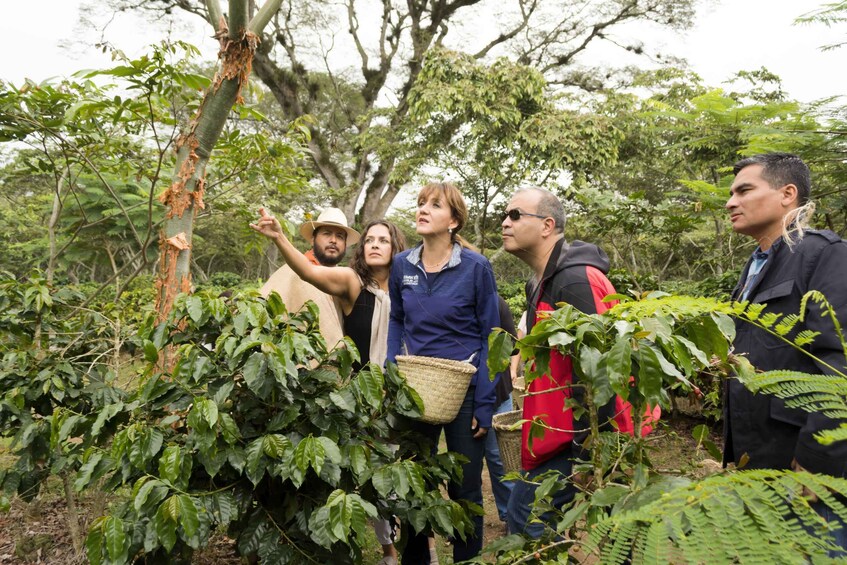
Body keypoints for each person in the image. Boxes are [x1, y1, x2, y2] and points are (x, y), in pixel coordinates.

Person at [251, 209, 406, 565]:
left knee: (394, 475)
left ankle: (408, 549)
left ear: (396, 247)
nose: (375, 245)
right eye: (370, 240)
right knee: (354, 472)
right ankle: (372, 550)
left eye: (383, 240)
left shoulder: (407, 288)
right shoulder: (350, 282)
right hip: (355, 395)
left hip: (397, 394)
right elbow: (306, 273)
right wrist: (278, 238)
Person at [724, 152, 847, 550]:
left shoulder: (824, 254)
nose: (730, 202)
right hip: (760, 457)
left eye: (744, 190)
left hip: (805, 465)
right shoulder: (756, 265)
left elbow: (839, 361)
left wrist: (818, 460)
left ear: (787, 194)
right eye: (730, 193)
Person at [500, 186, 625, 538]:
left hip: (595, 433)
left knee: (529, 512)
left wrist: (589, 452)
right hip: (564, 433)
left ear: (547, 225)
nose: (504, 224)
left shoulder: (573, 279)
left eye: (514, 215)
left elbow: (596, 370)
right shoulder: (538, 282)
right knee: (616, 528)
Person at [386, 182, 500, 563]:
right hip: (416, 387)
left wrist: (485, 402)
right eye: (420, 203)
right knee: (414, 483)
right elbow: (397, 320)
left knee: (465, 486)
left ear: (453, 221)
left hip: (464, 390)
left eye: (435, 205)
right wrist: (392, 369)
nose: (423, 209)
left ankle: (466, 559)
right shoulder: (402, 264)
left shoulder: (476, 267)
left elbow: (491, 336)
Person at [258, 207, 359, 348]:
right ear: (313, 239)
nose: (334, 240)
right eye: (327, 234)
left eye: (340, 236)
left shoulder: (346, 281)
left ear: (345, 245)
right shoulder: (291, 273)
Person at [485, 296, 517, 532]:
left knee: (500, 458)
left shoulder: (496, 303)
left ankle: (511, 515)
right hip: (467, 395)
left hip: (499, 391)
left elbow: (514, 343)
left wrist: (513, 371)